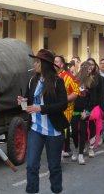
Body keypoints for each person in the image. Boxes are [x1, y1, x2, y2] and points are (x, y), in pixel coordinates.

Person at [18, 49, 68, 194]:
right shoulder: (32, 81)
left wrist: (42, 108)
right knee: (32, 165)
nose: (35, 64)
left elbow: (63, 104)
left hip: (54, 131)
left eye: (38, 62)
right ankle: (32, 191)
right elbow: (29, 102)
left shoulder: (58, 82)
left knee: (54, 167)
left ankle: (56, 190)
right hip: (36, 130)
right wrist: (22, 101)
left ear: (45, 64)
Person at [70, 61, 98, 164]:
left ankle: (81, 154)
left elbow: (93, 100)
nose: (90, 71)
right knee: (74, 132)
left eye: (91, 69)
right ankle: (76, 149)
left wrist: (87, 111)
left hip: (84, 112)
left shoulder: (91, 83)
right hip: (74, 111)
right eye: (88, 69)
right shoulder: (74, 81)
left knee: (82, 132)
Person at [54, 55, 80, 159]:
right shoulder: (50, 76)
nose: (53, 63)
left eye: (56, 61)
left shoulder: (68, 77)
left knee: (61, 131)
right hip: (52, 109)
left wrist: (64, 100)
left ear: (61, 64)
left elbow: (76, 92)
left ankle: (61, 153)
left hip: (65, 109)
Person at [86, 58, 104, 151]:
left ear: (95, 66)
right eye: (88, 64)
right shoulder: (81, 78)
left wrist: (99, 105)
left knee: (92, 127)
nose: (90, 66)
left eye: (92, 64)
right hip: (83, 107)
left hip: (95, 108)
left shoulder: (101, 79)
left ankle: (91, 147)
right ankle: (83, 146)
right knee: (83, 128)